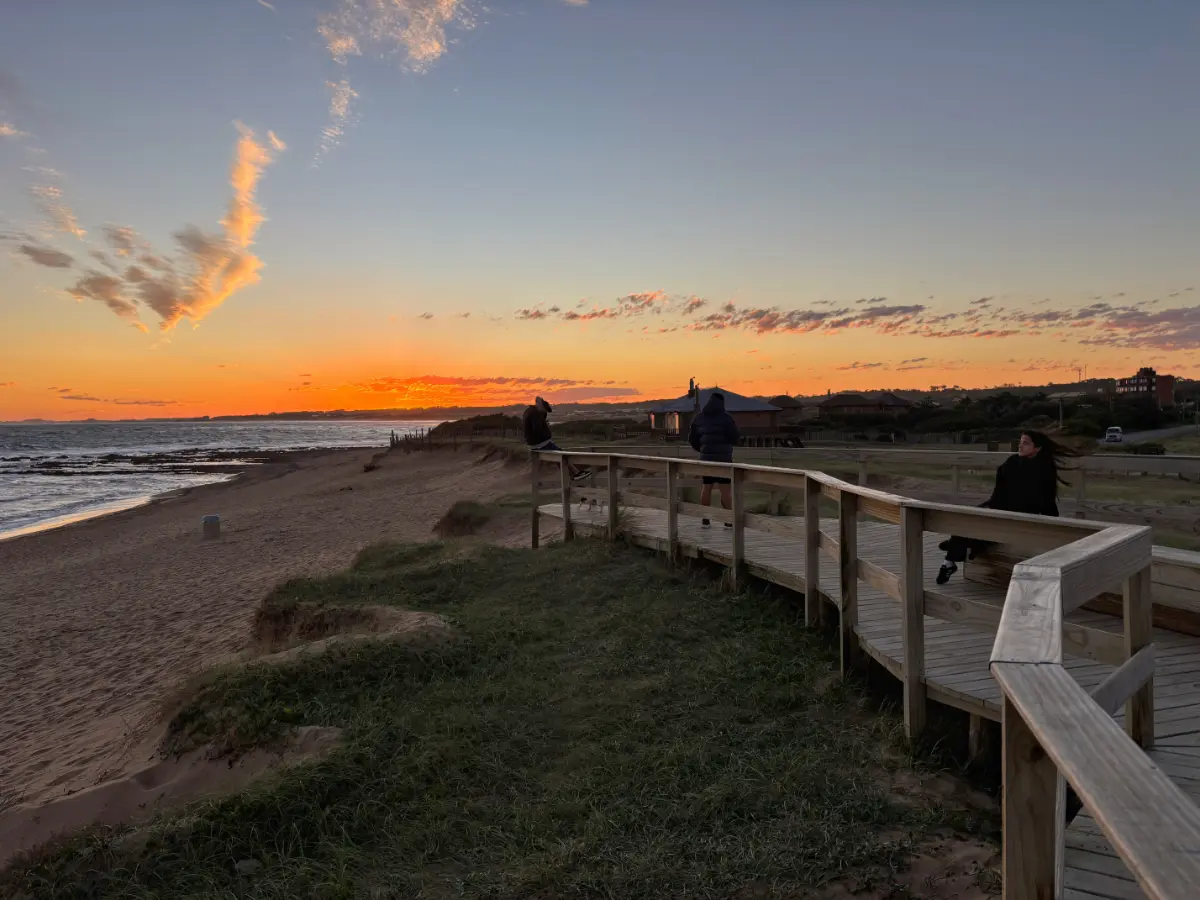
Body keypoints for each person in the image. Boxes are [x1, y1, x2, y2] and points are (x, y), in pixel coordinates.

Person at [935, 430, 1078, 585]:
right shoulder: (1013, 461)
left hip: (1022, 517)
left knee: (977, 526)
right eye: (1020, 442)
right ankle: (950, 560)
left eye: (1026, 443)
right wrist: (991, 507)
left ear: (1037, 448)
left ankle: (957, 547)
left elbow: (1046, 502)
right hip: (1000, 508)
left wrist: (1052, 527)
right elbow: (999, 491)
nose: (1020, 446)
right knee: (968, 518)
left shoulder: (1043, 469)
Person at [688, 391, 741, 528]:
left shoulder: (699, 418)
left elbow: (692, 438)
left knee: (706, 488)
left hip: (706, 459)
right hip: (724, 460)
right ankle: (728, 521)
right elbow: (735, 437)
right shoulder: (726, 418)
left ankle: (705, 520)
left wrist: (702, 449)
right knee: (725, 490)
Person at [523, 396, 589, 481]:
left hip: (534, 443)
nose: (544, 414)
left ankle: (573, 474)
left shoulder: (529, 411)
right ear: (541, 408)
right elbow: (537, 429)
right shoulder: (535, 414)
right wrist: (546, 436)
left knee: (558, 455)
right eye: (544, 412)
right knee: (561, 455)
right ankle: (575, 474)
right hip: (540, 443)